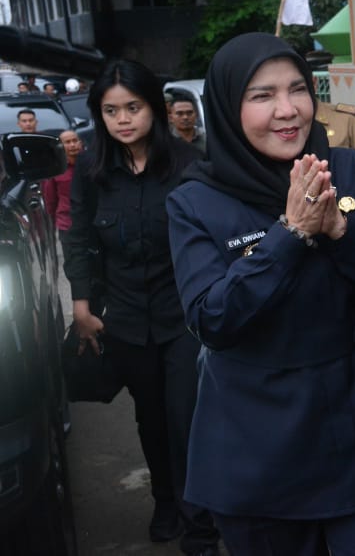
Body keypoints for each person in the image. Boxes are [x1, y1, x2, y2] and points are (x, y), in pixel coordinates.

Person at [166, 33, 355, 555]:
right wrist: (289, 235)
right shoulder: (195, 202)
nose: (287, 111)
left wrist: (341, 232)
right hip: (263, 450)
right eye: (262, 96)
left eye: (297, 90)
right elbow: (212, 319)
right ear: (226, 107)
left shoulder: (345, 170)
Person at [64, 59, 218, 556]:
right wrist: (82, 305)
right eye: (111, 111)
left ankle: (200, 522)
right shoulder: (92, 171)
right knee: (150, 419)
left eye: (133, 107)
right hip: (127, 318)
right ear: (99, 116)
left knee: (186, 416)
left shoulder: (191, 165)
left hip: (184, 316)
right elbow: (80, 236)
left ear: (153, 107)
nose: (123, 119)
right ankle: (165, 502)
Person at [42, 129, 83, 242]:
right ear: (60, 146)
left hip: (93, 222)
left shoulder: (92, 164)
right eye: (67, 142)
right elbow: (50, 200)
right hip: (67, 224)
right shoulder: (55, 169)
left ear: (81, 143)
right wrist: (55, 221)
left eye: (75, 141)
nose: (72, 145)